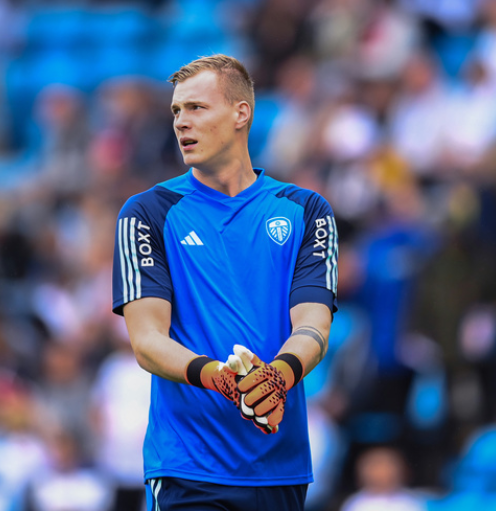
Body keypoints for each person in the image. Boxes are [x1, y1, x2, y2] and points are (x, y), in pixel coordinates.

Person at [111, 54, 338, 510]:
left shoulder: (307, 210)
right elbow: (147, 341)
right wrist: (219, 378)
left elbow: (313, 325)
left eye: (196, 108)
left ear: (241, 113)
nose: (181, 123)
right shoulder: (148, 213)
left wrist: (277, 375)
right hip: (189, 468)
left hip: (280, 466)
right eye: (176, 111)